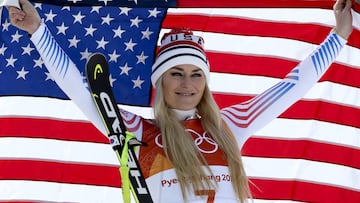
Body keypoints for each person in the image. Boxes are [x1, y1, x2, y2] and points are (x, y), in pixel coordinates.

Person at [5, 0, 353, 202]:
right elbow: (78, 86)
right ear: (159, 81)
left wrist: (339, 35)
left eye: (196, 74)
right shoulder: (134, 130)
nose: (187, 84)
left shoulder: (231, 125)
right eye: (176, 73)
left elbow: (293, 86)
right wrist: (38, 30)